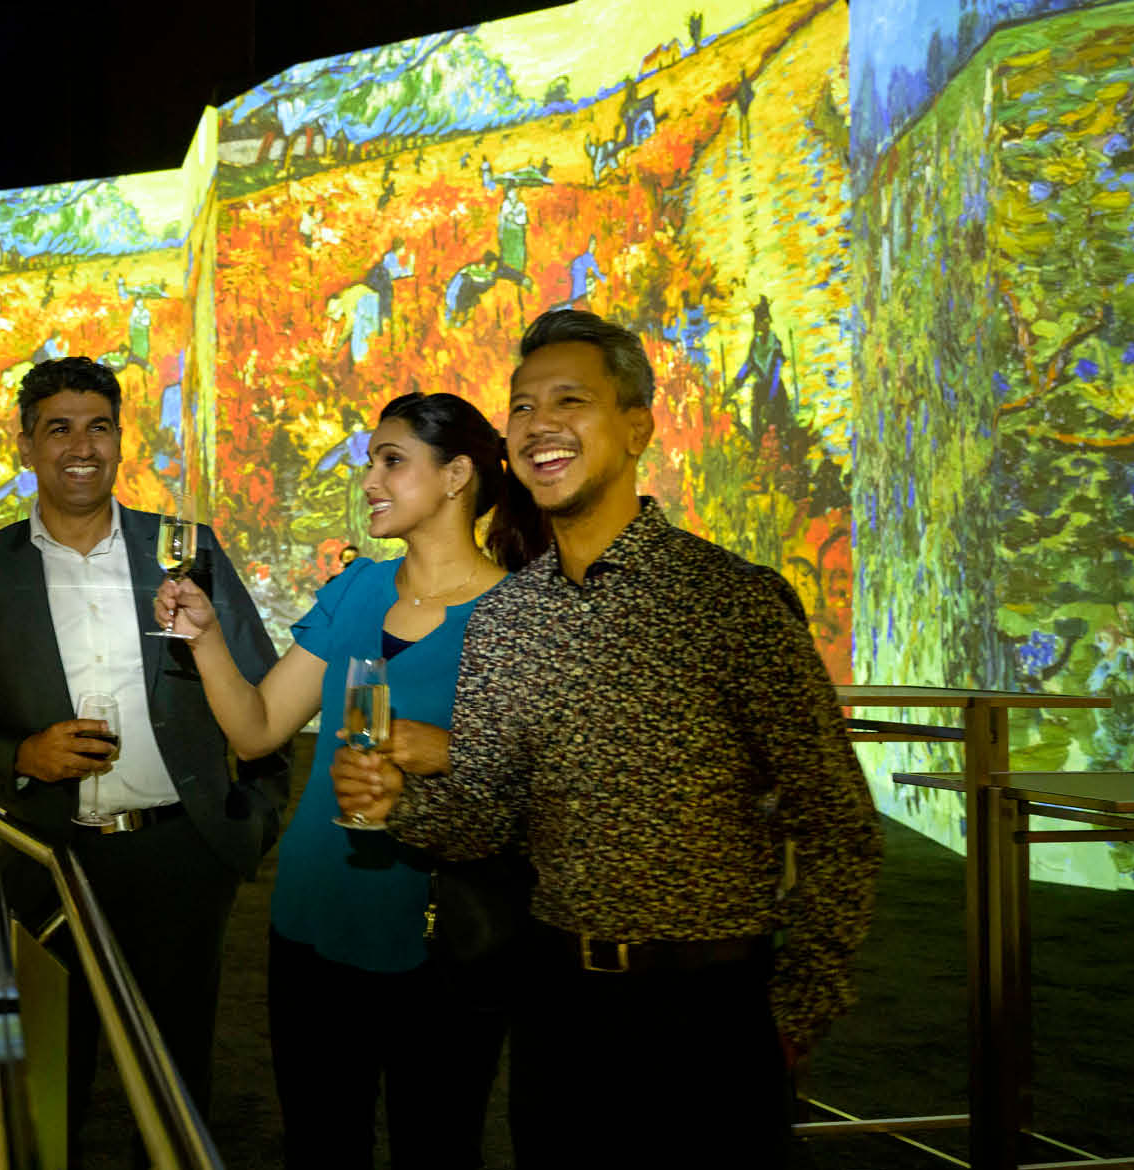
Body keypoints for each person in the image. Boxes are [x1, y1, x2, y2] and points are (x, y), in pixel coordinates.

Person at [331, 310, 881, 1167]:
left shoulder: (728, 603)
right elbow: (484, 814)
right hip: (557, 1017)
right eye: (521, 406)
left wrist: (794, 1010)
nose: (538, 423)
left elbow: (838, 822)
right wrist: (403, 804)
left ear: (636, 427)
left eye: (569, 400)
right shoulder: (508, 620)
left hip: (711, 1013)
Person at [0, 355, 285, 1133]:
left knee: (178, 1079)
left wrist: (248, 825)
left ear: (121, 440)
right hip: (46, 859)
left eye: (99, 427)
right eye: (59, 429)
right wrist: (20, 753)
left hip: (179, 857)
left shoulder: (185, 549)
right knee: (45, 1079)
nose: (82, 446)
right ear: (26, 445)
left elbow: (264, 693)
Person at [160, 390, 529, 1168]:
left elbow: (536, 782)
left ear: (458, 474)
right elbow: (260, 725)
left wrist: (442, 749)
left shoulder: (517, 616)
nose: (368, 482)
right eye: (370, 463)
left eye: (392, 462)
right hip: (312, 914)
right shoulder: (358, 588)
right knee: (321, 1143)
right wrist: (204, 639)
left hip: (440, 934)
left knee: (438, 1145)